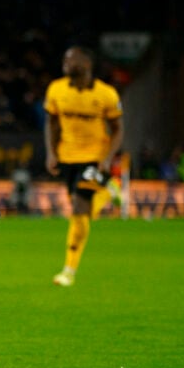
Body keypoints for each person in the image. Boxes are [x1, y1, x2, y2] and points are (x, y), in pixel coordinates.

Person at [43, 46, 124, 287]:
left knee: (78, 208)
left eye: (72, 59)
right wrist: (51, 152)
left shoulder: (106, 94)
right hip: (68, 158)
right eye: (65, 58)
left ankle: (69, 270)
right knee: (82, 213)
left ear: (87, 64)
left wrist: (108, 158)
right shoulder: (56, 89)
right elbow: (52, 123)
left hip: (95, 158)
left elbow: (119, 129)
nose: (66, 62)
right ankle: (109, 191)